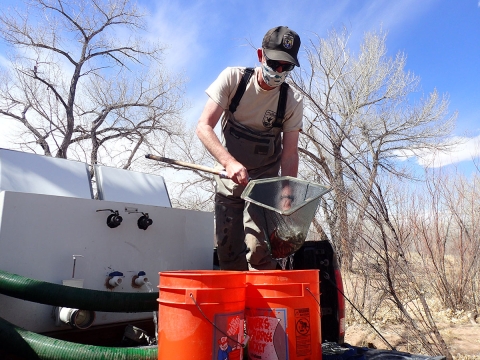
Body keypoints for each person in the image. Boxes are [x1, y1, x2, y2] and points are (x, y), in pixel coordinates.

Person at [196, 26, 303, 271]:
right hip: (228, 181)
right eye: (274, 62)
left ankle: (269, 308)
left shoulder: (292, 101)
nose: (278, 71)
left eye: (285, 67)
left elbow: (289, 154)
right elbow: (203, 126)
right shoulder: (233, 79)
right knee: (229, 255)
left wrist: (287, 194)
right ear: (260, 55)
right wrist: (229, 162)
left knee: (258, 252)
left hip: (264, 187)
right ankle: (234, 307)